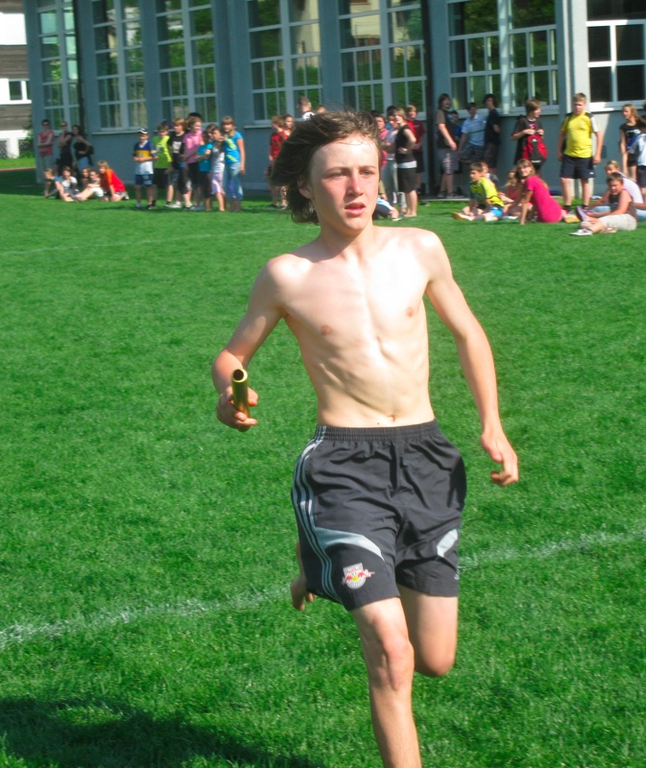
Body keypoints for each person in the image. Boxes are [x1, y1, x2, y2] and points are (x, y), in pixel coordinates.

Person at [212, 109, 518, 768]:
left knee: (435, 658)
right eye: (336, 175)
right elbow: (232, 356)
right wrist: (233, 393)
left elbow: (468, 332)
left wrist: (492, 423)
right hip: (343, 466)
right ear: (304, 186)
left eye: (366, 172)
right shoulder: (287, 274)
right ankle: (337, 553)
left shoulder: (421, 248)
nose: (355, 188)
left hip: (428, 458)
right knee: (391, 649)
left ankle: (320, 564)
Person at [558, 93, 603, 212]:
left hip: (585, 155)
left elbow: (599, 135)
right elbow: (562, 135)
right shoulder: (568, 117)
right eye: (575, 105)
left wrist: (598, 153)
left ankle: (585, 207)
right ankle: (567, 207)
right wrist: (558, 151)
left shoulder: (589, 117)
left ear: (584, 105)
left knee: (584, 180)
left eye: (579, 105)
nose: (577, 107)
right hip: (569, 154)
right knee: (564, 179)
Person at [571, 173, 638, 235]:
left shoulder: (624, 193)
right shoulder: (612, 196)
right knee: (584, 224)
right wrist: (593, 216)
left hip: (629, 220)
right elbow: (612, 211)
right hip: (616, 219)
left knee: (603, 220)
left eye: (615, 185)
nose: (612, 188)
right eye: (610, 186)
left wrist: (599, 219)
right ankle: (607, 229)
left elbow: (621, 211)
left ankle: (588, 231)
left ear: (622, 185)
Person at [506, 158, 564, 224]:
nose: (522, 170)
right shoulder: (537, 179)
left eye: (525, 167)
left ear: (531, 168)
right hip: (555, 212)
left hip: (547, 216)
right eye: (520, 168)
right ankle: (565, 215)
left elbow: (525, 202)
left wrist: (521, 222)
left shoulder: (530, 181)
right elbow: (536, 202)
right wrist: (529, 218)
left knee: (515, 210)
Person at [388, 106, 419, 218]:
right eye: (395, 115)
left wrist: (407, 149)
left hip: (407, 162)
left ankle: (413, 212)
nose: (396, 117)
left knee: (410, 188)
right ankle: (409, 211)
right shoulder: (400, 129)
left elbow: (412, 139)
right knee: (406, 189)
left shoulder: (405, 128)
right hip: (402, 163)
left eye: (399, 115)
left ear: (403, 117)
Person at [510, 99, 547, 173]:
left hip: (536, 156)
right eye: (537, 109)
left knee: (537, 177)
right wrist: (524, 132)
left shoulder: (538, 122)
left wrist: (542, 133)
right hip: (524, 156)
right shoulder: (522, 121)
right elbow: (513, 137)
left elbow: (540, 139)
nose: (539, 111)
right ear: (531, 110)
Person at [434, 94, 459, 198]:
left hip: (450, 146)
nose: (447, 102)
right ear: (441, 102)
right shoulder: (440, 112)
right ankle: (450, 193)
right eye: (445, 100)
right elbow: (441, 126)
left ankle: (442, 191)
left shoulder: (449, 114)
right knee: (449, 170)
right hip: (444, 146)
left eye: (448, 99)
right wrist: (450, 141)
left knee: (447, 169)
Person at [222, 116, 246, 212]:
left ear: (232, 125)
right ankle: (231, 204)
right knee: (224, 185)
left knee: (236, 185)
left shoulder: (237, 135)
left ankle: (238, 206)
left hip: (235, 162)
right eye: (224, 124)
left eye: (228, 124)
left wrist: (242, 166)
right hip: (227, 163)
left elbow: (242, 151)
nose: (226, 126)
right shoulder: (224, 136)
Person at [132, 127, 157, 210]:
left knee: (148, 187)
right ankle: (138, 203)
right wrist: (136, 158)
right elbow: (134, 156)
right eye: (140, 135)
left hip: (147, 170)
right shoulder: (136, 145)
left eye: (143, 135)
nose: (141, 137)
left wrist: (144, 159)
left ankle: (149, 203)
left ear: (147, 136)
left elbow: (155, 156)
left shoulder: (149, 145)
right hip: (138, 170)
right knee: (137, 187)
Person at [405, 104, 426, 198]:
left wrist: (419, 144)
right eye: (410, 111)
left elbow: (421, 135)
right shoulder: (405, 123)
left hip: (418, 150)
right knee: (410, 171)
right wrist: (410, 145)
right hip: (409, 151)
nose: (412, 113)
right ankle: (410, 189)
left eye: (414, 111)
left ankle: (419, 189)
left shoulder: (419, 123)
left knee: (418, 171)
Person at [267, 115, 287, 208]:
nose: (271, 125)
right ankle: (274, 202)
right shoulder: (272, 135)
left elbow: (285, 148)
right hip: (273, 161)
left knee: (283, 182)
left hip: (281, 161)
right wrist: (270, 158)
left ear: (277, 124)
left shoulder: (282, 135)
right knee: (271, 181)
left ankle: (284, 202)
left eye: (273, 123)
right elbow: (270, 148)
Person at [152, 122, 174, 208]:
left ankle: (168, 202)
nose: (161, 133)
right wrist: (154, 155)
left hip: (166, 165)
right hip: (158, 165)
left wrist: (171, 166)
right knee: (154, 185)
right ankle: (153, 202)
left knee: (168, 184)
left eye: (163, 132)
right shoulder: (155, 139)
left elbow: (172, 153)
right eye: (160, 131)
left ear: (167, 132)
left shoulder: (169, 139)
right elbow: (153, 150)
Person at [618, 104, 641, 180]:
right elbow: (623, 143)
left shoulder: (640, 123)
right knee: (633, 179)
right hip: (631, 155)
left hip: (641, 154)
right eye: (623, 111)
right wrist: (624, 166)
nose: (624, 113)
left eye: (626, 111)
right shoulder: (624, 127)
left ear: (632, 112)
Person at [167, 118, 186, 209]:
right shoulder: (173, 135)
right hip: (175, 163)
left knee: (184, 183)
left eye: (177, 126)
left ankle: (187, 202)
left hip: (183, 163)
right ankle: (177, 202)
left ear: (182, 126)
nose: (175, 127)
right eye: (174, 126)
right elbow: (168, 146)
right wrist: (171, 156)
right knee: (176, 183)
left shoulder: (185, 136)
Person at [482, 94, 502, 176]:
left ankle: (492, 181)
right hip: (490, 142)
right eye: (486, 101)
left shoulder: (493, 113)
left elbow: (496, 129)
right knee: (490, 164)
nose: (487, 103)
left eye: (489, 101)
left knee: (489, 165)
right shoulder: (490, 113)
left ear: (493, 102)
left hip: (492, 142)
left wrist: (498, 130)